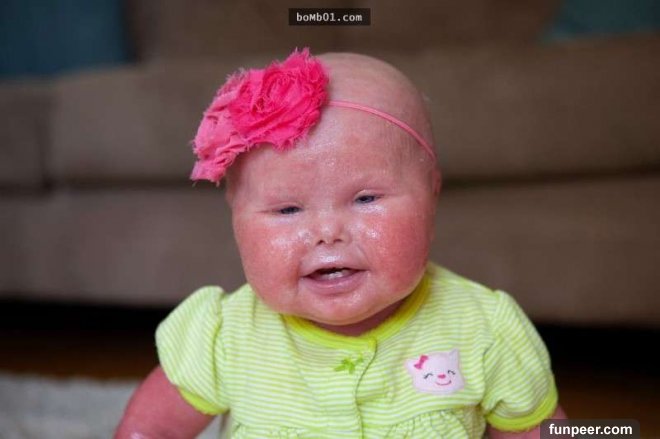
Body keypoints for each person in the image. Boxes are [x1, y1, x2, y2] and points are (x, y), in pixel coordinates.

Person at [116, 48, 566, 438]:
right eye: (287, 210)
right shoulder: (223, 337)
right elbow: (152, 430)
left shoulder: (483, 329)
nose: (327, 231)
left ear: (432, 194)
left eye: (366, 199)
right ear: (234, 213)